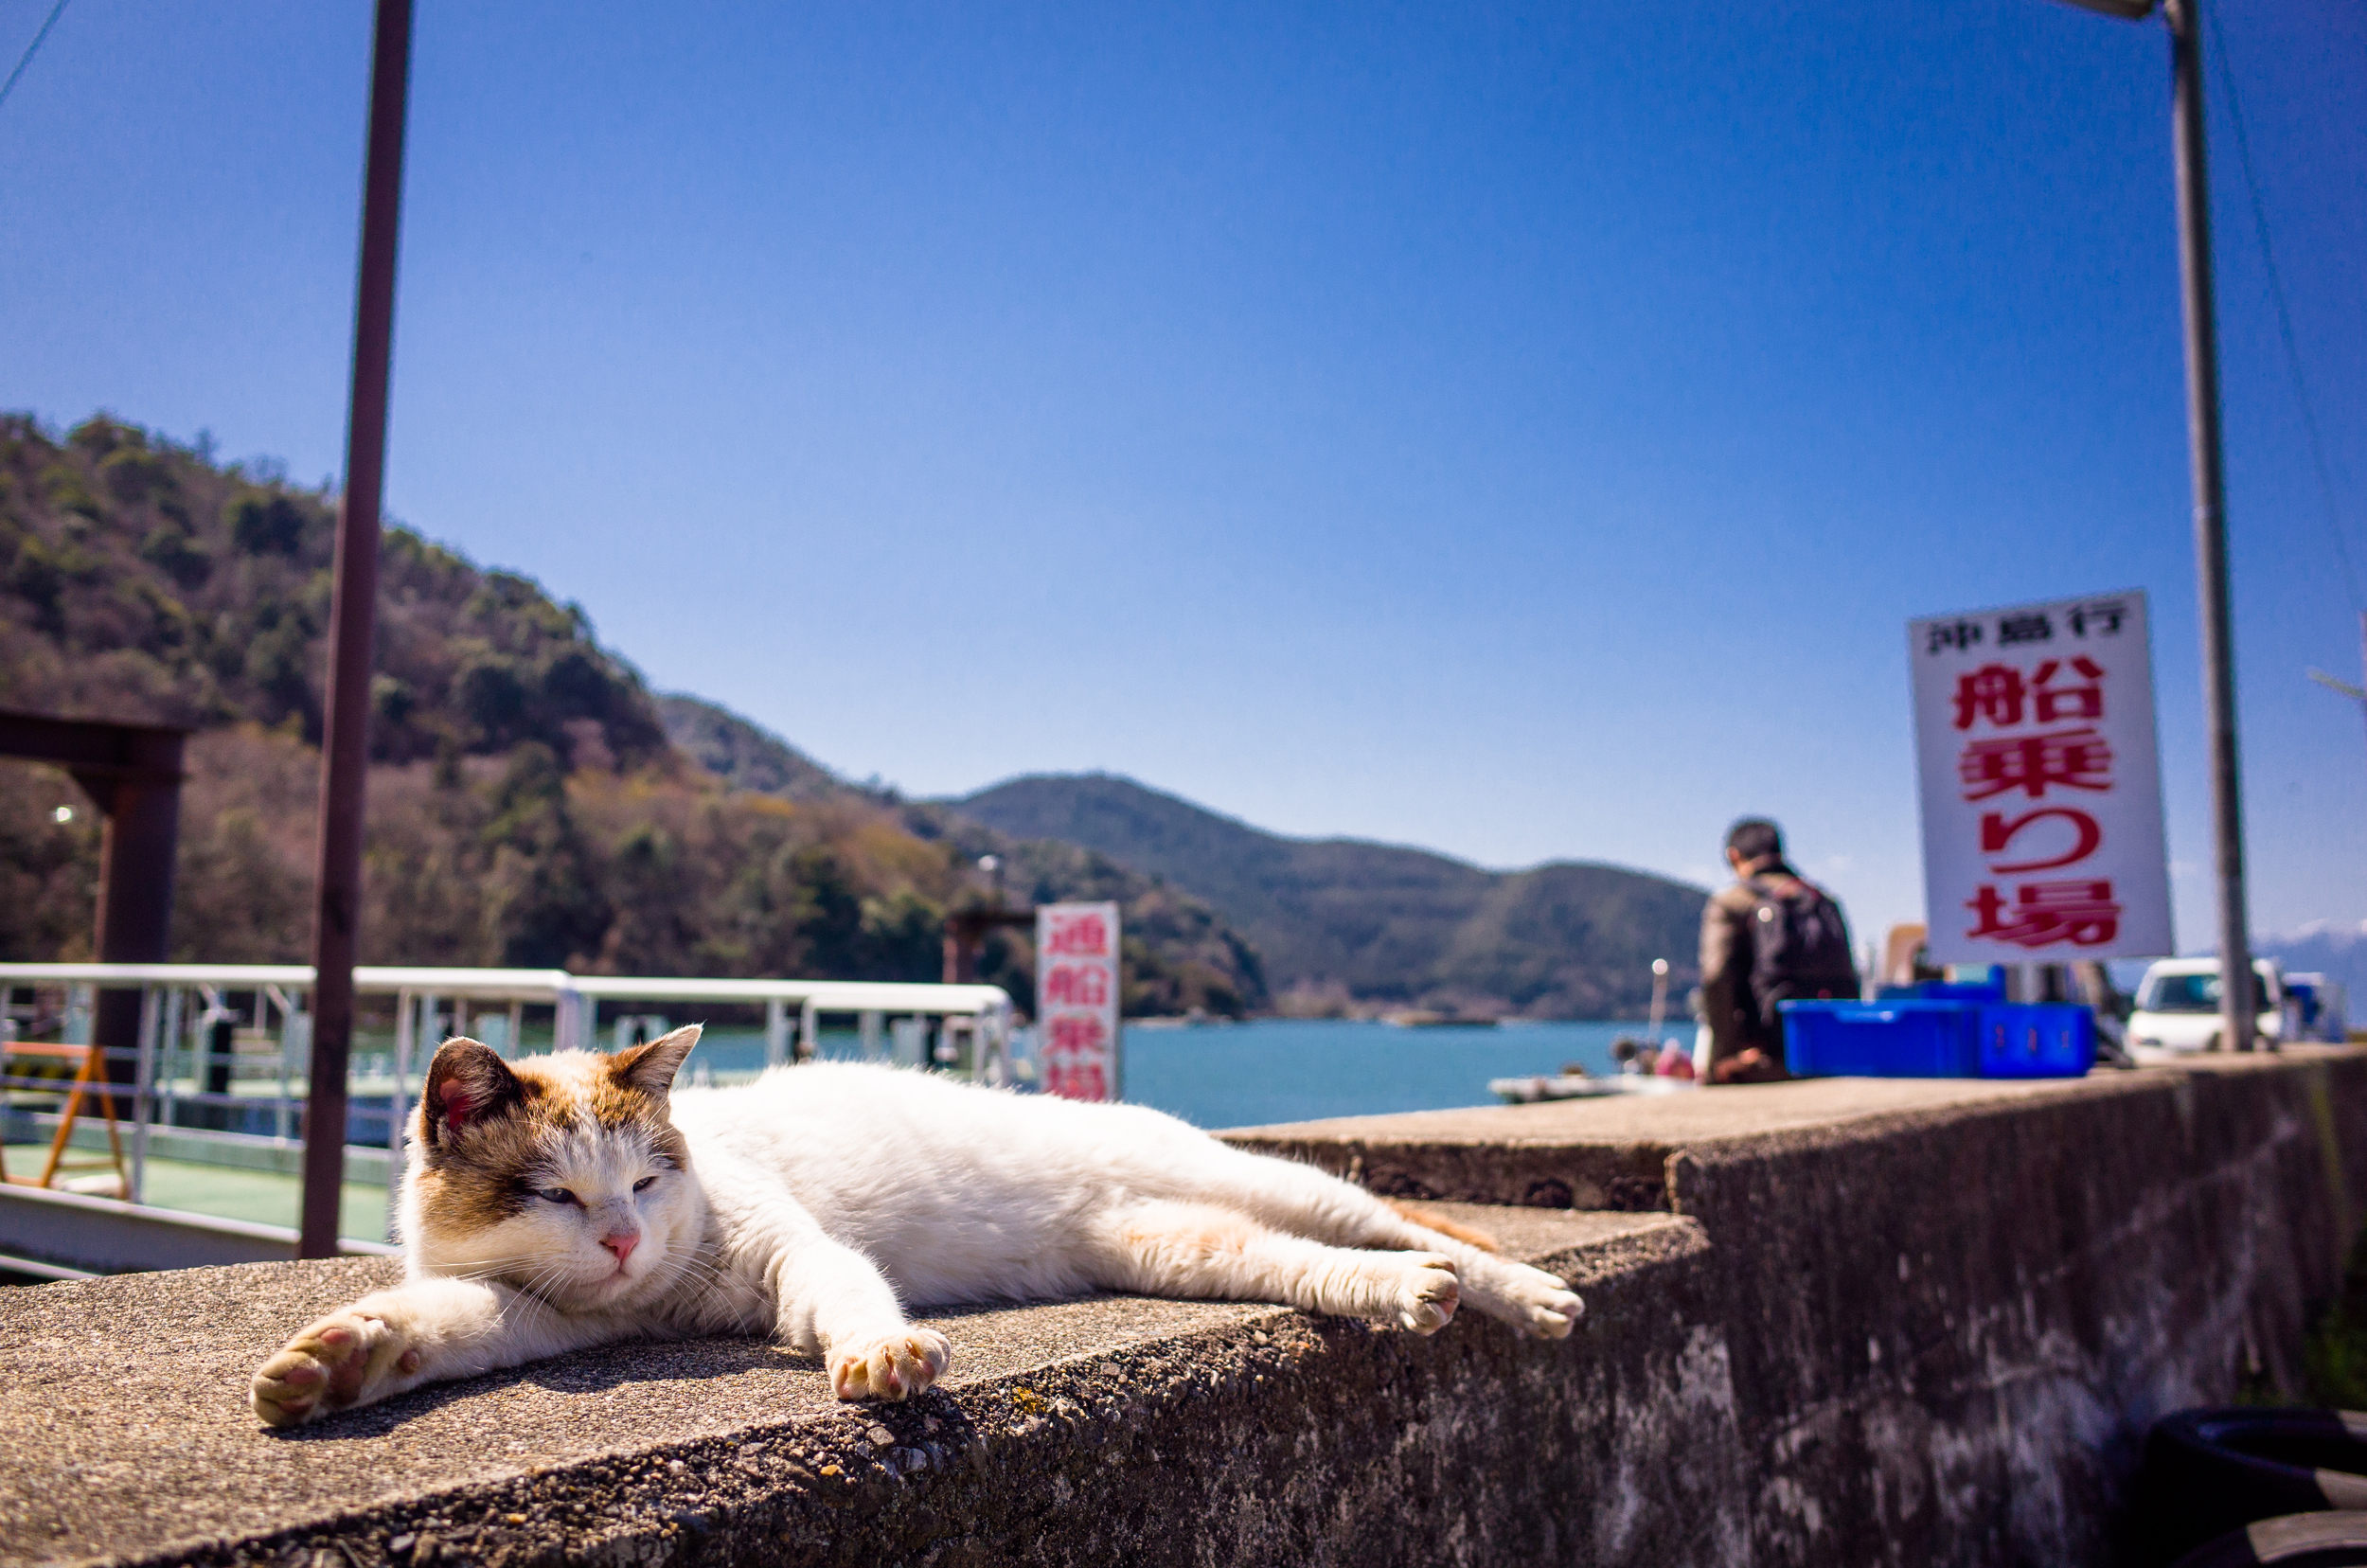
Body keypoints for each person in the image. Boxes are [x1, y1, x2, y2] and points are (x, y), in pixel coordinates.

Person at [1699, 818, 1860, 1084]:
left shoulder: (1732, 903)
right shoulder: (1823, 900)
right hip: (1826, 1054)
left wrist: (1723, 1057)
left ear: (1733, 856)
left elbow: (1716, 977)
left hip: (1762, 1059)